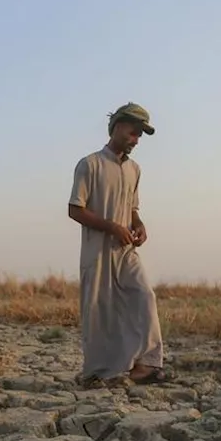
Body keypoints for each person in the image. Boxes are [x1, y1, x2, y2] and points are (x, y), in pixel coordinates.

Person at [66, 102, 166, 387]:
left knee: (143, 296)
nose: (135, 140)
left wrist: (138, 224)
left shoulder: (134, 170)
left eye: (139, 136)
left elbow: (132, 207)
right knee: (100, 310)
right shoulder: (90, 164)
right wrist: (112, 227)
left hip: (125, 251)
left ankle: (146, 364)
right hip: (97, 250)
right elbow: (75, 210)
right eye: (133, 133)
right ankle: (98, 372)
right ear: (117, 126)